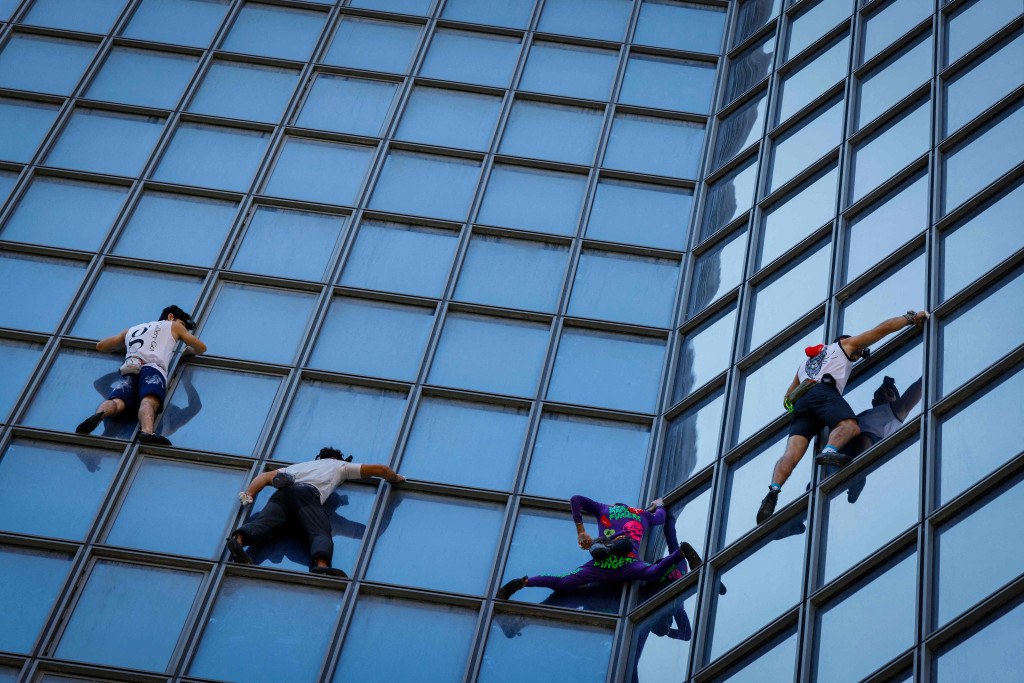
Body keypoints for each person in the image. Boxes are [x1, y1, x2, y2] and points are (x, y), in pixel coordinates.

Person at [756, 310, 928, 524]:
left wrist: (805, 410)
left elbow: (786, 400)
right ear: (846, 341)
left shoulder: (805, 363)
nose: (857, 356)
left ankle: (773, 491)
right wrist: (910, 319)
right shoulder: (844, 346)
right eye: (858, 352)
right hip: (823, 392)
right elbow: (883, 329)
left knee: (791, 453)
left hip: (801, 405)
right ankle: (829, 451)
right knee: (850, 426)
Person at [225, 446, 404, 578]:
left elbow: (264, 477)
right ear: (335, 458)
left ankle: (238, 541)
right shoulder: (339, 465)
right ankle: (321, 565)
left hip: (282, 494)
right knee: (320, 533)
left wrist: (249, 494)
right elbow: (381, 470)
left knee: (262, 524)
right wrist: (397, 479)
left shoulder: (298, 466)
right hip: (307, 496)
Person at [495, 495, 703, 600]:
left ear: (616, 506)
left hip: (602, 563)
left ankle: (524, 582)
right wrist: (659, 504)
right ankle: (680, 552)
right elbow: (661, 518)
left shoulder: (605, 510)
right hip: (628, 562)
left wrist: (580, 530)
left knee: (562, 582)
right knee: (654, 573)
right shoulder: (643, 515)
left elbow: (576, 499)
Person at [75, 305, 205, 445]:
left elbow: (101, 346)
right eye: (183, 324)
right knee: (149, 401)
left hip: (131, 367)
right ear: (171, 317)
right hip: (153, 368)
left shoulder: (133, 330)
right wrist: (188, 351)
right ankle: (147, 432)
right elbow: (201, 347)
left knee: (118, 402)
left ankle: (99, 415)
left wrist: (127, 347)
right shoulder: (173, 326)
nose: (183, 329)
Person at [817, 375, 923, 469]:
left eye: (890, 394)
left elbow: (915, 390)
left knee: (865, 440)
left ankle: (857, 471)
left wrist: (928, 373)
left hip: (870, 443)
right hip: (847, 445)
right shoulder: (863, 415)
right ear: (873, 401)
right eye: (880, 394)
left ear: (897, 400)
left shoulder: (896, 411)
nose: (884, 395)